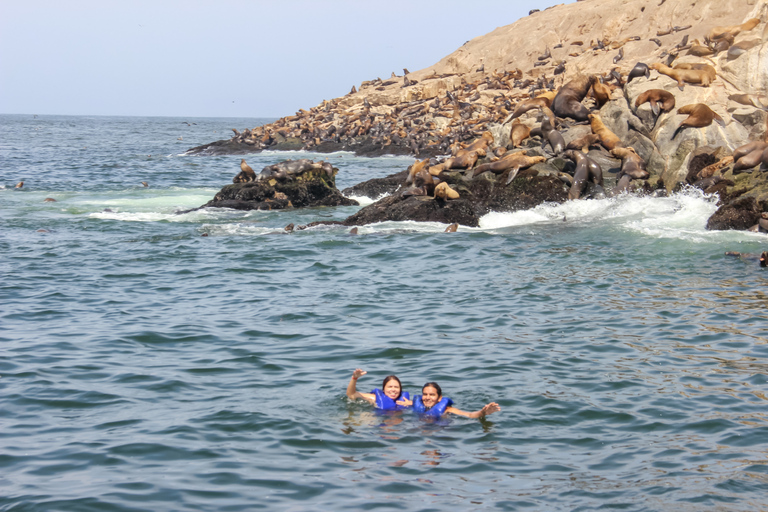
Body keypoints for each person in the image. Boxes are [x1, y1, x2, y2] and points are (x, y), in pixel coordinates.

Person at [406, 382, 500, 419]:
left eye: (432, 395)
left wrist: (483, 412)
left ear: (439, 398)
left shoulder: (448, 409)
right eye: (425, 394)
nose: (427, 397)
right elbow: (411, 402)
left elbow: (469, 414)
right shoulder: (418, 404)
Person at [346, 368, 410, 410]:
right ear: (383, 389)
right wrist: (354, 378)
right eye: (390, 387)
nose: (393, 389)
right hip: (379, 421)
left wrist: (410, 403)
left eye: (396, 387)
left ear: (400, 389)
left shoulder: (406, 400)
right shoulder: (375, 398)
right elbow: (351, 394)